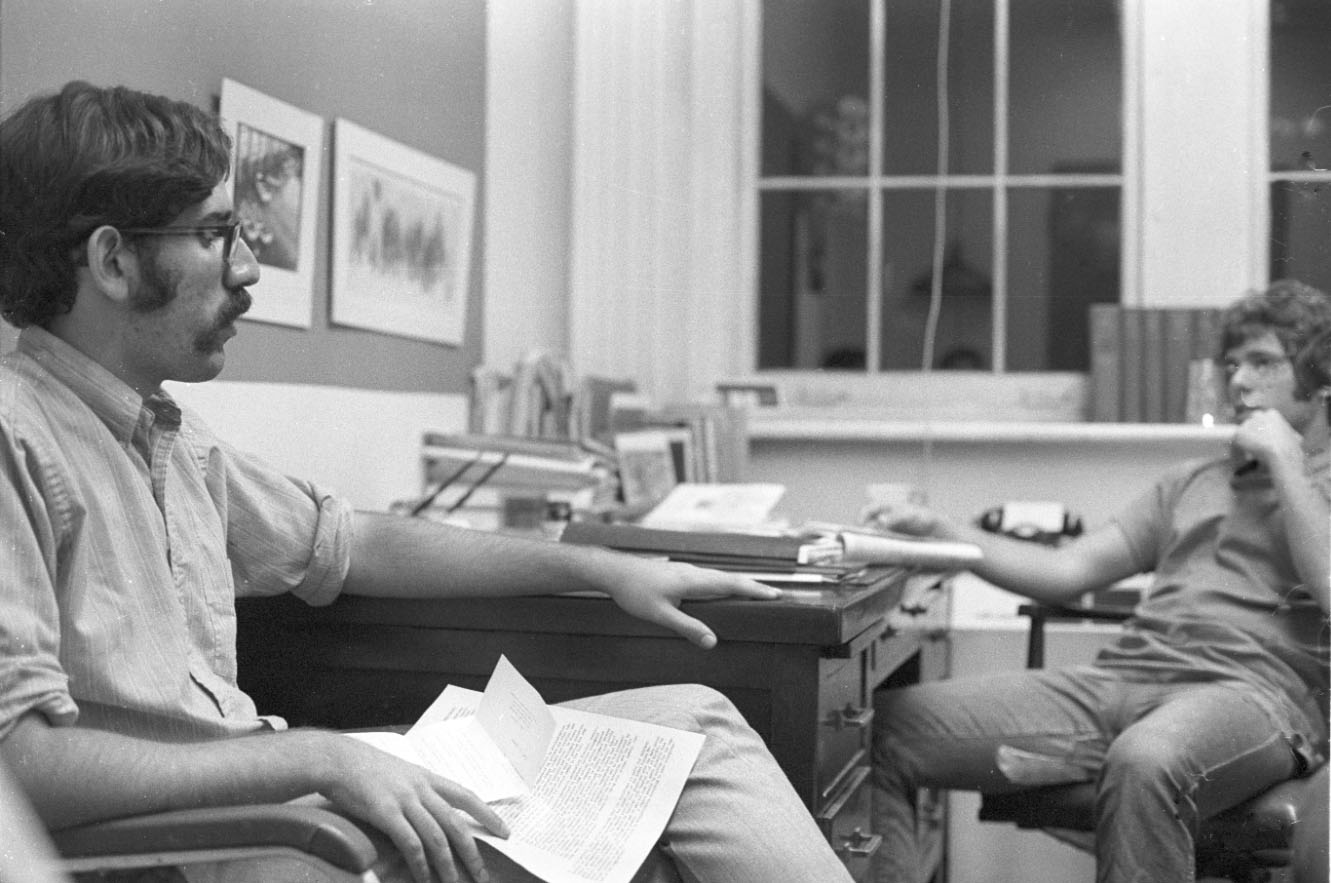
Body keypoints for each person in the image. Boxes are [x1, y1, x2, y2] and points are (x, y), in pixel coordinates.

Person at [0, 81, 854, 883]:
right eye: (216, 234)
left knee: (695, 733)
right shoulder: (18, 438)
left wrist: (596, 567)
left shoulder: (167, 436)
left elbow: (351, 540)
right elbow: (21, 763)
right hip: (224, 843)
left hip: (284, 800)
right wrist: (322, 756)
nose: (247, 268)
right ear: (112, 262)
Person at [865, 279, 1331, 883]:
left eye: (1263, 363)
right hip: (1122, 681)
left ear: (1319, 380)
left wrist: (1288, 461)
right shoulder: (1193, 482)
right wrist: (943, 531)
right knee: (879, 728)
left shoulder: (1316, 487)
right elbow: (1068, 571)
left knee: (1146, 760)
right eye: (1232, 364)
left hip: (1251, 698)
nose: (1239, 382)